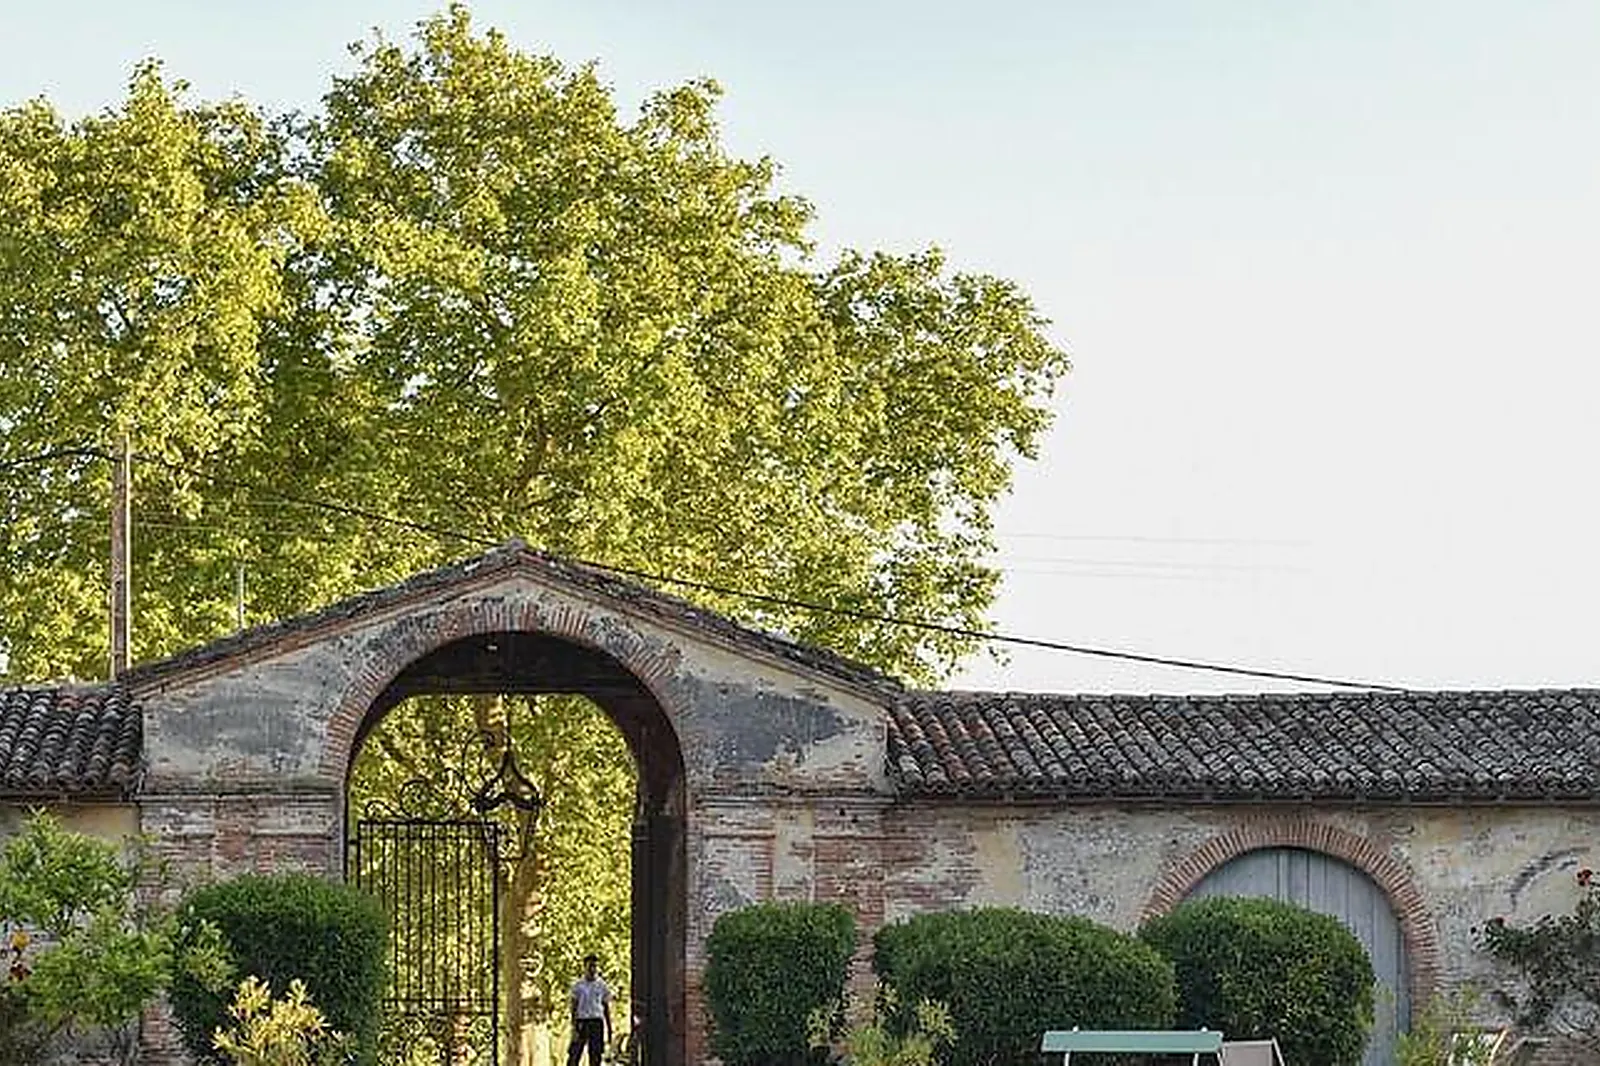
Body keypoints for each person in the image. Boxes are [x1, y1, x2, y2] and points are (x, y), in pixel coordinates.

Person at [567, 952, 612, 1066]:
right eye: (590, 966)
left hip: (596, 1022)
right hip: (582, 1022)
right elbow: (573, 1007)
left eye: (595, 966)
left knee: (596, 1056)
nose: (592, 969)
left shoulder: (602, 985)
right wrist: (574, 1027)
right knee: (574, 1055)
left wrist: (609, 1027)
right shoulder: (578, 985)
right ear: (585, 967)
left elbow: (606, 1007)